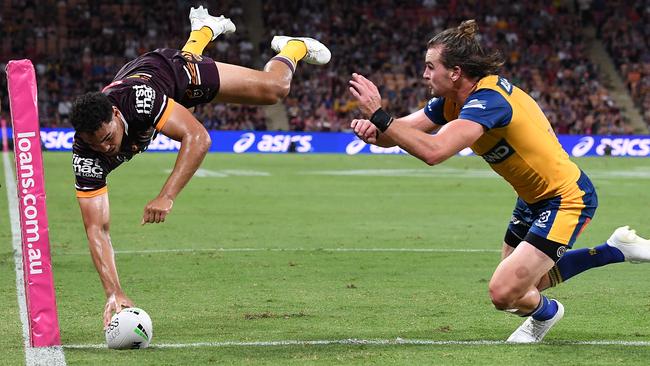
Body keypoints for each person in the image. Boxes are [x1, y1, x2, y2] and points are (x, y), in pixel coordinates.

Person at [348, 19, 650, 343]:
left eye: (430, 66)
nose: (424, 74)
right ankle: (614, 250)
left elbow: (434, 151)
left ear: (455, 72)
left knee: (504, 293)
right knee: (519, 290)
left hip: (566, 197)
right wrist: (374, 132)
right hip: (531, 198)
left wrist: (380, 117)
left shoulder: (488, 101)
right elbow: (402, 131)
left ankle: (548, 312)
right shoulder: (452, 101)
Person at [70, 6, 331, 327]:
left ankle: (294, 46)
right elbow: (97, 228)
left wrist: (166, 195)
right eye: (95, 144)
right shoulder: (86, 154)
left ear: (113, 114)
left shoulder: (139, 102)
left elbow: (198, 137)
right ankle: (203, 29)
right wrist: (114, 291)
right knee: (186, 88)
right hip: (147, 77)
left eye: (108, 138)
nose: (105, 148)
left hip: (173, 74)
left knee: (274, 89)